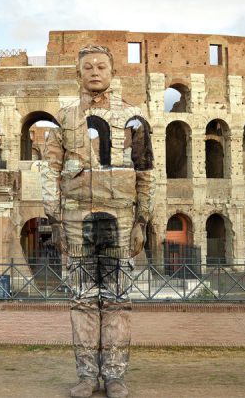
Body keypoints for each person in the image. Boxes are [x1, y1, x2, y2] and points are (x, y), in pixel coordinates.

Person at [41, 45, 156, 398]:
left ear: (112, 72)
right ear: (78, 74)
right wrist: (55, 219)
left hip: (121, 218)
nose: (94, 71)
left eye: (101, 66)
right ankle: (88, 376)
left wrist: (143, 220)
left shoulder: (134, 117)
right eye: (87, 66)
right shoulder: (63, 118)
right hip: (76, 220)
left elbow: (146, 172)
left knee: (118, 299)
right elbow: (50, 170)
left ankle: (116, 376)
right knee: (81, 299)